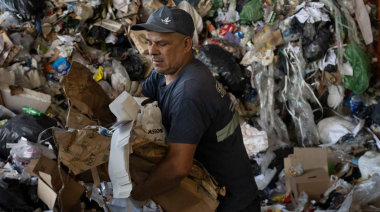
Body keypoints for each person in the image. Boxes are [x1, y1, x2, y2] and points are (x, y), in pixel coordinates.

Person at [130, 6, 260, 212]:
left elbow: (177, 168)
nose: (151, 51)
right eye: (149, 42)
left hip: (231, 203)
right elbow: (138, 102)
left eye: (162, 44)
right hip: (209, 195)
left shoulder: (191, 92)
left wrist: (136, 195)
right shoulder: (166, 69)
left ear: (186, 44)